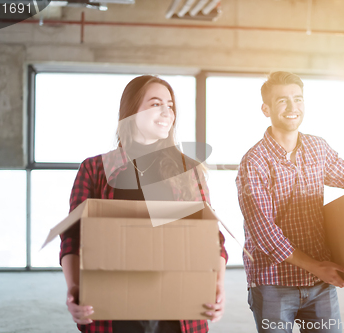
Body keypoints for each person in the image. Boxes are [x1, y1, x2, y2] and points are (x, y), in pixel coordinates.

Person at [60, 75, 227, 333]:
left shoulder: (188, 170)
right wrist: (73, 288)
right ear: (131, 111)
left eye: (170, 105)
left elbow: (211, 236)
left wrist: (217, 284)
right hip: (112, 309)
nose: (166, 112)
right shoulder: (94, 169)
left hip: (178, 309)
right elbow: (72, 236)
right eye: (155, 104)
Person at [236, 71, 344, 333]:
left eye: (298, 99)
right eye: (282, 101)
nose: (293, 107)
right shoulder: (254, 162)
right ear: (266, 109)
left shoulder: (318, 148)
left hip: (319, 282)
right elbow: (264, 233)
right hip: (273, 282)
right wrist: (318, 267)